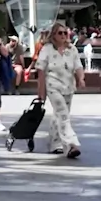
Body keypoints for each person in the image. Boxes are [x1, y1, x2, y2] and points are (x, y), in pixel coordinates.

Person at [33, 22, 85, 157]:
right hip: (53, 86)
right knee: (63, 114)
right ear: (53, 35)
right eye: (60, 33)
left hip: (68, 87)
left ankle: (54, 144)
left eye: (65, 33)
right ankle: (71, 144)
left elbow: (78, 66)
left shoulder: (72, 49)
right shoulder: (47, 49)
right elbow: (41, 71)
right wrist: (41, 93)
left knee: (59, 115)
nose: (63, 35)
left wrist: (81, 78)